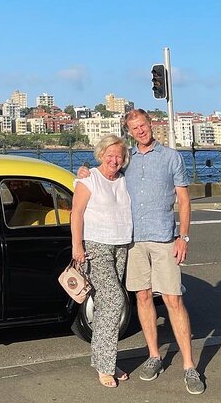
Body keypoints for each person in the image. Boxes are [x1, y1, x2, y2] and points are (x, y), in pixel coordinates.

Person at [76, 109, 205, 395]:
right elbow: (104, 172)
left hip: (164, 240)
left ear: (151, 125)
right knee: (143, 298)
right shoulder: (128, 159)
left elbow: (184, 200)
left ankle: (188, 365)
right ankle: (154, 356)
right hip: (133, 242)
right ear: (130, 131)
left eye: (143, 126)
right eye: (134, 128)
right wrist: (82, 172)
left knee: (173, 299)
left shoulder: (171, 157)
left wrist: (183, 236)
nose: (140, 131)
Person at [71, 134, 132, 388]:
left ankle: (106, 360)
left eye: (119, 156)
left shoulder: (123, 180)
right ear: (100, 155)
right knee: (114, 300)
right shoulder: (89, 179)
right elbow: (77, 212)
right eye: (110, 155)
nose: (114, 160)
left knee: (108, 307)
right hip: (97, 247)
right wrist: (77, 245)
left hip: (122, 245)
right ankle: (105, 366)